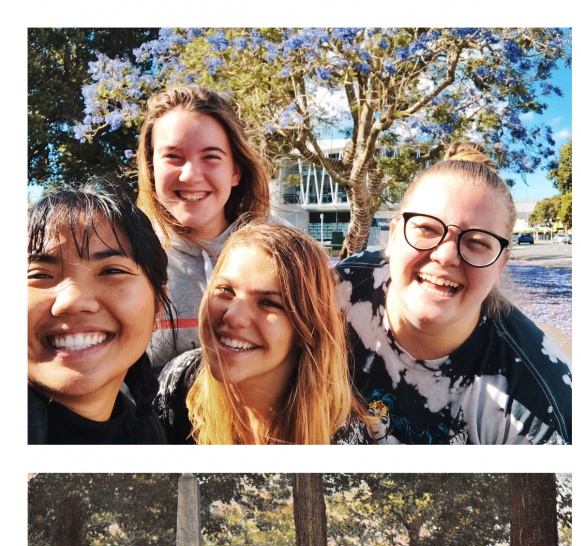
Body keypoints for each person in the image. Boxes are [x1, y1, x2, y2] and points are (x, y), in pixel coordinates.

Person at [336, 141, 572, 444]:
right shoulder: (340, 289)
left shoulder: (538, 403)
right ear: (394, 236)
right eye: (427, 229)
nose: (446, 256)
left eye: (477, 241)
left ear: (500, 265)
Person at [155, 222, 369, 444]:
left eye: (269, 303)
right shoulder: (177, 382)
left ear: (307, 327)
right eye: (226, 290)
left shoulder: (340, 436)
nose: (233, 316)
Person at [137, 84, 271, 368]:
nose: (191, 175)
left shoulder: (282, 254)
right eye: (173, 157)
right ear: (151, 168)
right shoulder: (126, 259)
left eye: (211, 157)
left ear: (235, 171)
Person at [28, 186, 174, 444]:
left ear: (157, 307)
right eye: (40, 275)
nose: (72, 301)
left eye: (111, 271)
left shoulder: (149, 432)